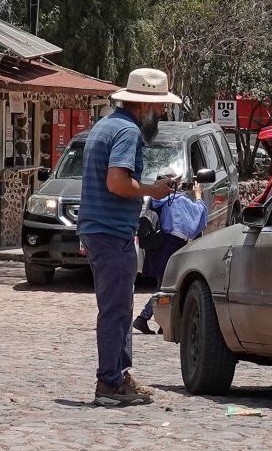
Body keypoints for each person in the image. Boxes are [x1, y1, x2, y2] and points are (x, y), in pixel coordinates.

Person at [77, 68, 183, 406]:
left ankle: (118, 376)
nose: (163, 113)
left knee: (119, 306)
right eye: (161, 107)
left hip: (101, 228)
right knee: (116, 309)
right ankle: (109, 382)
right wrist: (154, 188)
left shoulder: (105, 125)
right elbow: (117, 183)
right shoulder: (127, 132)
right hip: (110, 232)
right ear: (146, 105)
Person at [133, 180, 206, 335]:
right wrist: (198, 196)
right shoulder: (178, 201)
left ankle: (162, 323)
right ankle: (144, 318)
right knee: (166, 287)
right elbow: (197, 215)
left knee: (165, 285)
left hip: (158, 246)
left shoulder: (155, 200)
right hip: (172, 245)